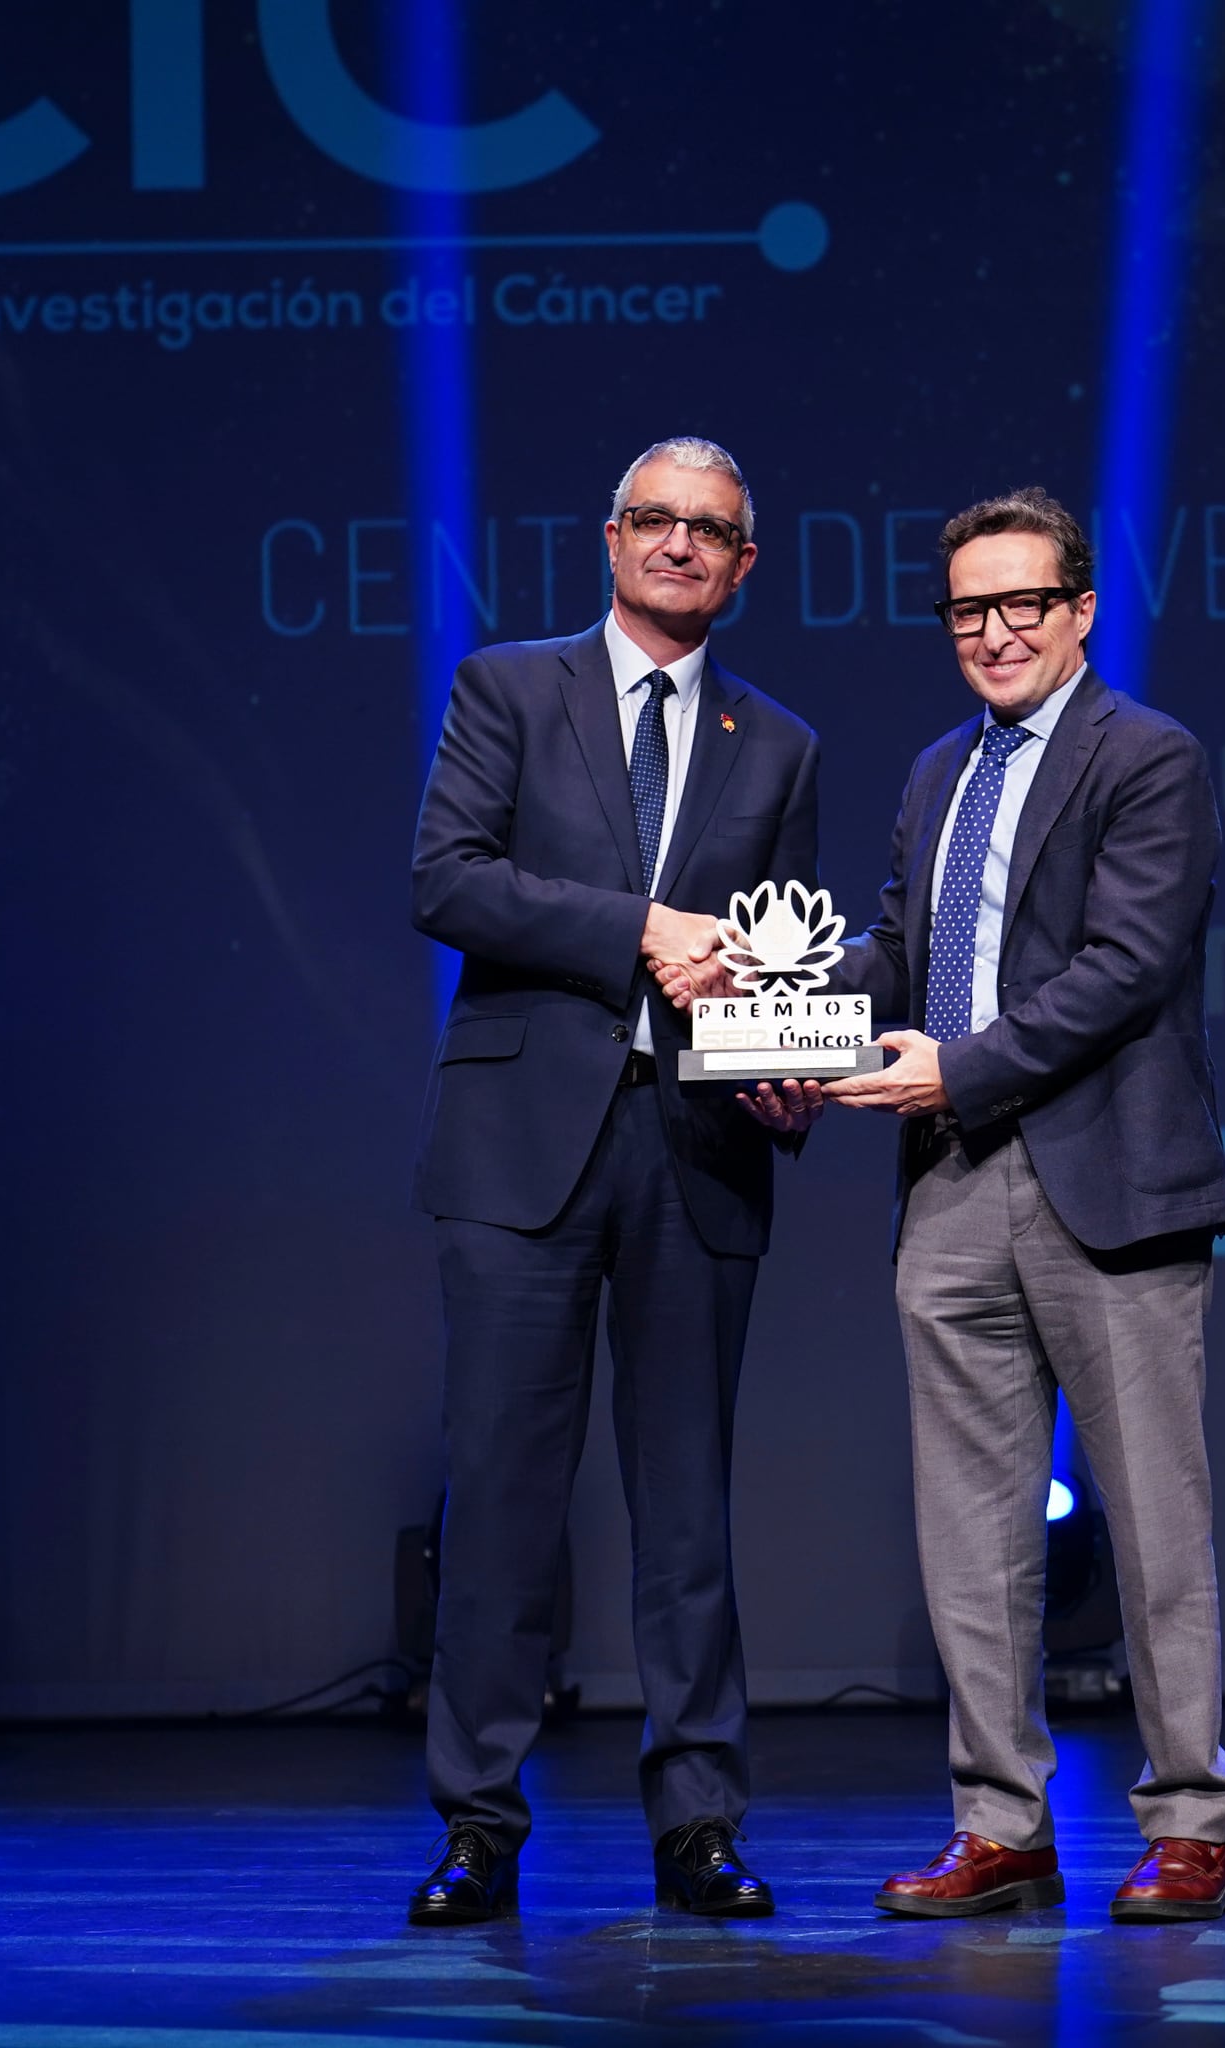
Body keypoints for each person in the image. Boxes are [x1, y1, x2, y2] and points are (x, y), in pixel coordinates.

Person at [703, 485, 1225, 1921]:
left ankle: (1192, 1818)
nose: (995, 632)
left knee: (1152, 1525)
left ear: (1078, 612)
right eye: (968, 609)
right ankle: (1001, 1821)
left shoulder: (1152, 758)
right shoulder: (942, 770)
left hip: (1108, 1180)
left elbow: (1126, 966)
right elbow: (897, 946)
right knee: (970, 1528)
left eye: (1023, 605)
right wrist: (795, 1041)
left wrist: (959, 1071)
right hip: (951, 1185)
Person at [405, 436, 824, 1925]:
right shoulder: (511, 688)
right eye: (656, 520)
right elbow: (443, 879)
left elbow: (788, 954)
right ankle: (478, 1826)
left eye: (712, 530)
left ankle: (699, 1825)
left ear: (745, 565)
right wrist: (637, 927)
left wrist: (789, 1070)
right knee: (505, 1501)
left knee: (688, 1512)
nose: (681, 546)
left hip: (695, 1152)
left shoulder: (779, 745)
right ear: (609, 538)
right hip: (522, 1149)